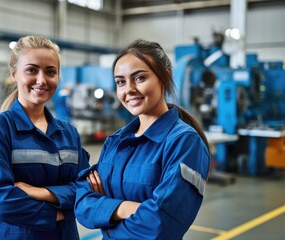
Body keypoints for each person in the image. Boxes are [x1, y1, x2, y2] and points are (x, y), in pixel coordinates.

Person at [74, 39, 210, 240]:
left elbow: (160, 224)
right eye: (120, 81)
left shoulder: (184, 142)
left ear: (165, 76)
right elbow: (82, 204)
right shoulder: (115, 141)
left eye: (139, 78)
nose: (128, 89)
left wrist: (106, 214)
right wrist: (126, 208)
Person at [0, 35, 90, 240]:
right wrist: (57, 214)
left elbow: (86, 189)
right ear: (14, 74)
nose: (42, 80)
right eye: (32, 70)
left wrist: (40, 192)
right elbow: (1, 199)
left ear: (58, 76)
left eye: (50, 72)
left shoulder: (68, 132)